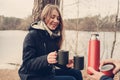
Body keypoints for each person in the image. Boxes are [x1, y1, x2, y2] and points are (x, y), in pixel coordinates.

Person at [18, 4, 83, 80]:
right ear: (44, 17)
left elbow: (54, 59)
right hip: (32, 75)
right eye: (52, 17)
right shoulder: (32, 35)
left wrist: (65, 63)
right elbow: (27, 63)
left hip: (47, 72)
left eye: (58, 18)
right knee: (71, 79)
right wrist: (46, 59)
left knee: (76, 73)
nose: (56, 21)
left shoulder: (53, 36)